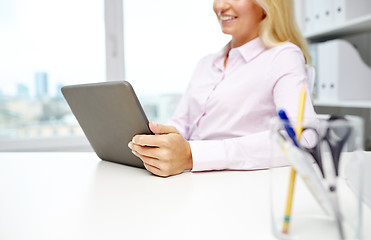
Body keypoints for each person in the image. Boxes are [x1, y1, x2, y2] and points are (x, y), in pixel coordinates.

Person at [128, 0, 317, 177]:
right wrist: (155, 142)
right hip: (188, 180)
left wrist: (193, 155)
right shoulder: (205, 64)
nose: (220, 5)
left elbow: (303, 137)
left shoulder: (282, 57)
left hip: (236, 185)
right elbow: (181, 123)